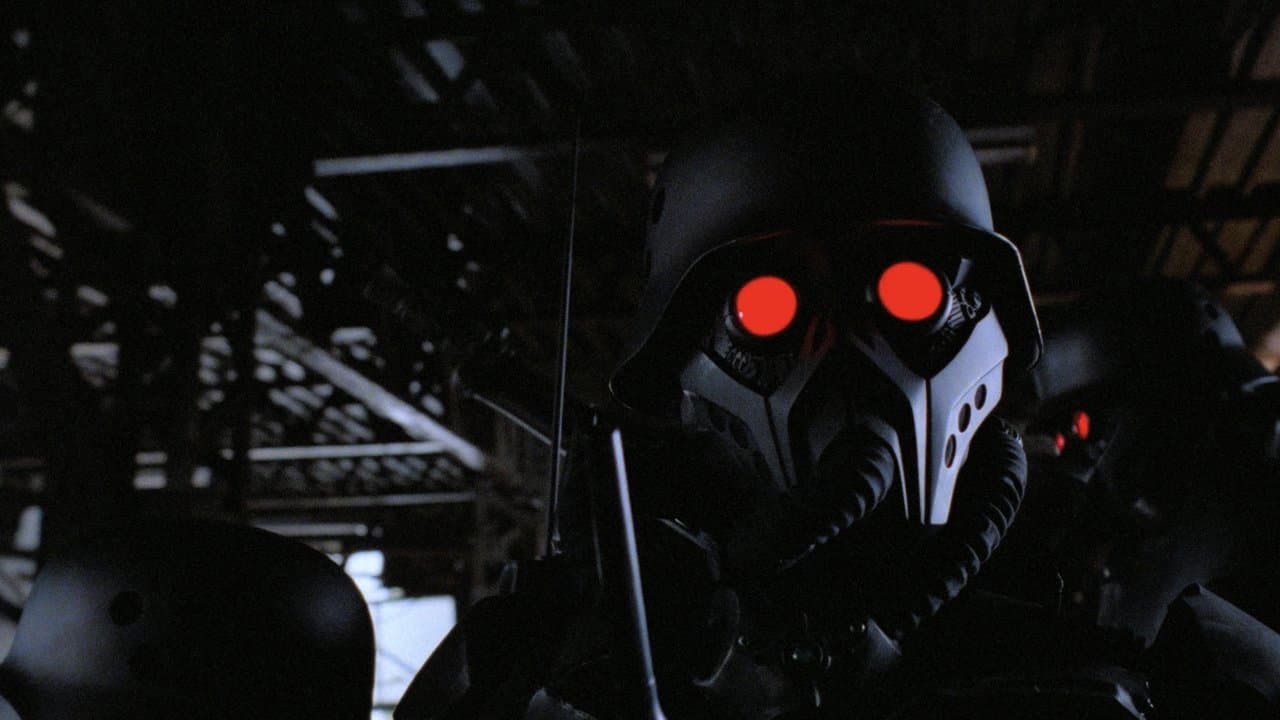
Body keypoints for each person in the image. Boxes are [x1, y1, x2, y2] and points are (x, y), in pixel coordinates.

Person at [398, 78, 1042, 719]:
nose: (848, 352)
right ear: (683, 348)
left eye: (913, 293)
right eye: (768, 310)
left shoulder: (1051, 628)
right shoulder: (563, 652)